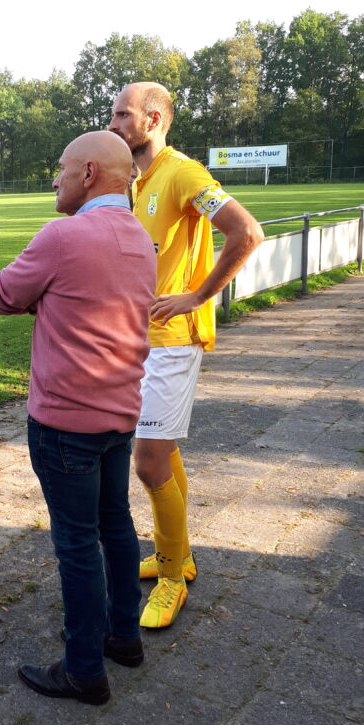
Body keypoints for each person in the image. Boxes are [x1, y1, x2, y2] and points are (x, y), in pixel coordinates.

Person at [0, 131, 155, 704]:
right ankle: (124, 637)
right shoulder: (140, 238)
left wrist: (46, 299)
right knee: (116, 525)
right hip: (120, 415)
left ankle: (84, 669)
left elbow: (1, 295)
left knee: (78, 545)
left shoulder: (63, 236)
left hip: (65, 424)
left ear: (88, 173)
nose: (54, 179)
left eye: (60, 169)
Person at [109, 82, 264, 629]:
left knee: (147, 462)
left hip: (172, 342)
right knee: (164, 453)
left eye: (122, 115)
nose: (113, 124)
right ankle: (177, 554)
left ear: (153, 119)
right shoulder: (137, 179)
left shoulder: (182, 173)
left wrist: (197, 296)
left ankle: (173, 580)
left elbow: (247, 232)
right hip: (139, 341)